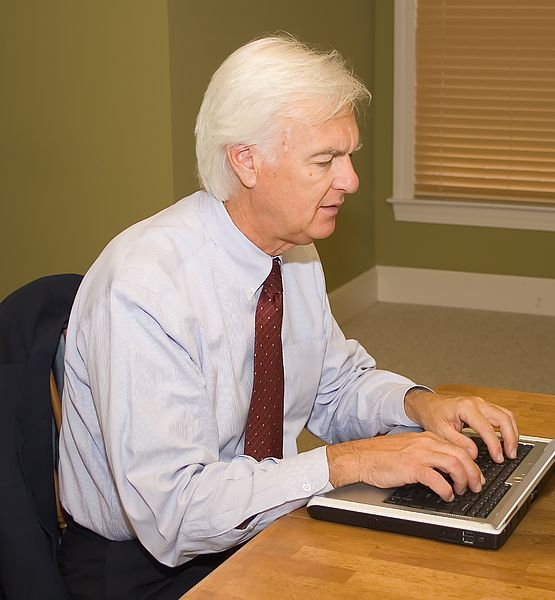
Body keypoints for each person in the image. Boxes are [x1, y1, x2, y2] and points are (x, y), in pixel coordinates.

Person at [57, 33, 518, 599]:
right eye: (325, 160)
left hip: (259, 519)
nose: (350, 180)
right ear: (246, 161)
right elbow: (174, 513)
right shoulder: (147, 288)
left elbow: (334, 385)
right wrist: (348, 463)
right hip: (142, 567)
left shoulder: (292, 252)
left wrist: (421, 405)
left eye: (348, 156)